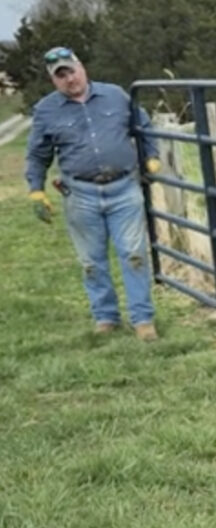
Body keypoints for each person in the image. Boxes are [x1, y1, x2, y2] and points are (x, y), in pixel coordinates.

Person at [25, 47, 162, 341]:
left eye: (71, 70)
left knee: (134, 254)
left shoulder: (115, 95)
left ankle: (142, 319)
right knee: (91, 261)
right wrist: (35, 190)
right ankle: (106, 317)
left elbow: (144, 126)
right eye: (60, 76)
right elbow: (37, 155)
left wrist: (151, 156)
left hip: (124, 187)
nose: (69, 79)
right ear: (54, 81)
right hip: (80, 193)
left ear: (81, 67)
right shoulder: (46, 111)